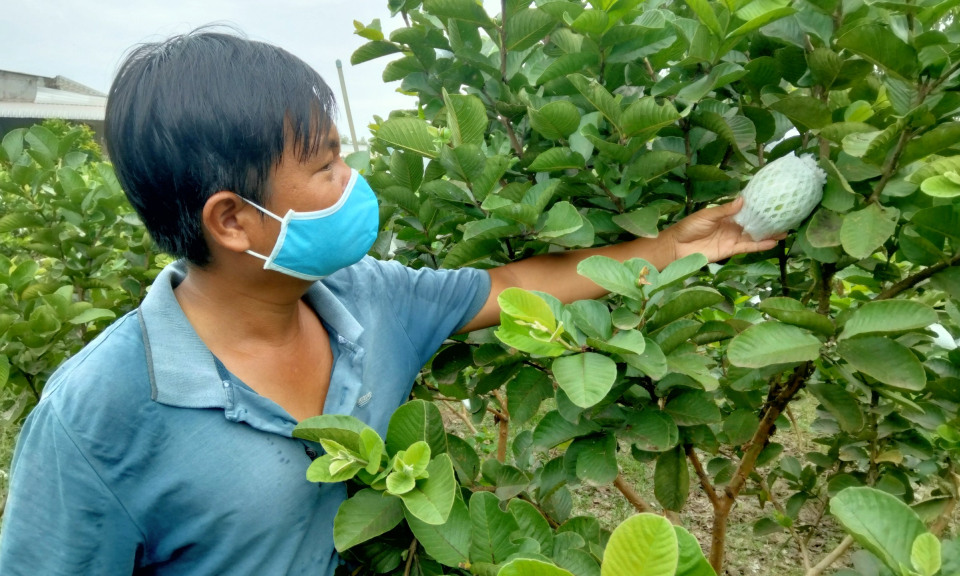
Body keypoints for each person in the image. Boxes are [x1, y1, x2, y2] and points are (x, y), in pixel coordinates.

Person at [0, 27, 781, 576]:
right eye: (327, 165)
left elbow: (514, 287)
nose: (354, 179)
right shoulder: (96, 419)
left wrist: (683, 244)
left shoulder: (368, 300)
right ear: (233, 220)